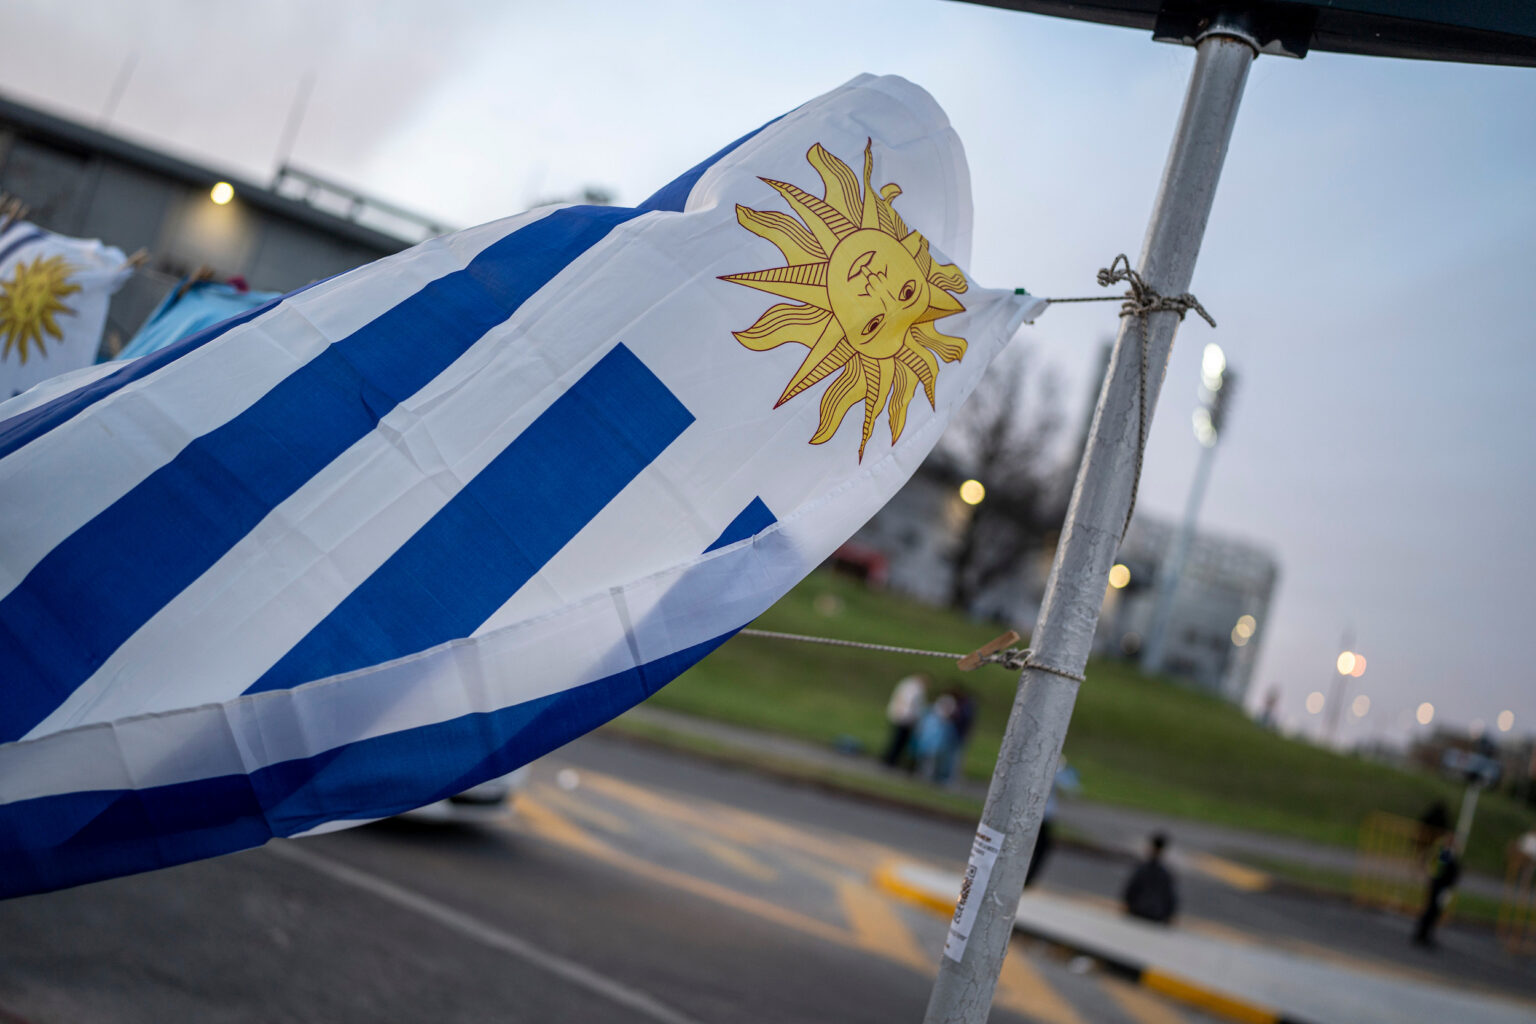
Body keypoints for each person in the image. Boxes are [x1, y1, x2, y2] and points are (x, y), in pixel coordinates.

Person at [1024, 760, 1080, 887]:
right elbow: (1071, 787)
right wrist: (1067, 770)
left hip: (1033, 814)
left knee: (1032, 847)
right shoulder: (1055, 767)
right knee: (1041, 849)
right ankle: (1028, 878)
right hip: (1044, 817)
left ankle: (1026, 877)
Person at [1412, 839, 1460, 948]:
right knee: (1432, 911)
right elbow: (1441, 870)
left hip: (1441, 887)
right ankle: (1422, 935)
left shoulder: (1448, 855)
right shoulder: (1446, 854)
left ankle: (1424, 935)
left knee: (1434, 912)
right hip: (1439, 887)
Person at [1122, 832, 1178, 923]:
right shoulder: (1165, 874)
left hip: (1138, 910)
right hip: (1156, 914)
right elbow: (1171, 898)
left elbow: (1131, 889)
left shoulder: (1142, 869)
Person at [881, 673, 929, 769]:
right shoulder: (913, 688)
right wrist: (910, 717)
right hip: (904, 718)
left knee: (899, 740)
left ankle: (891, 758)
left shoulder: (910, 686)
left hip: (904, 717)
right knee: (898, 740)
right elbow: (909, 704)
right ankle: (890, 759)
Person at [911, 692, 957, 782]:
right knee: (923, 759)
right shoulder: (933, 717)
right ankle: (922, 774)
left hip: (934, 745)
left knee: (930, 761)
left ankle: (926, 776)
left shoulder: (945, 722)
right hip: (927, 743)